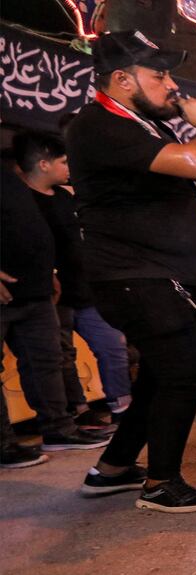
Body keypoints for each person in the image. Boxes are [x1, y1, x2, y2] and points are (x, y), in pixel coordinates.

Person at [64, 31, 196, 511]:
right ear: (123, 80)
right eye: (160, 74)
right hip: (136, 277)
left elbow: (167, 195)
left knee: (160, 374)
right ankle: (161, 483)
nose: (172, 85)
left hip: (164, 274)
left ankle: (113, 469)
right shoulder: (98, 125)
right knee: (184, 373)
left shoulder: (145, 125)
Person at [2, 139, 112, 467]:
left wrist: (47, 270)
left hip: (36, 289)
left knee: (47, 362)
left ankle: (59, 429)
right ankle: (3, 446)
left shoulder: (9, 173)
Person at [16, 130, 132, 430]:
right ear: (43, 164)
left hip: (84, 289)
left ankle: (122, 407)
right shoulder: (22, 201)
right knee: (60, 356)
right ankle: (78, 411)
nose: (70, 168)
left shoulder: (66, 198)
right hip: (52, 295)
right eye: (64, 162)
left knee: (112, 345)